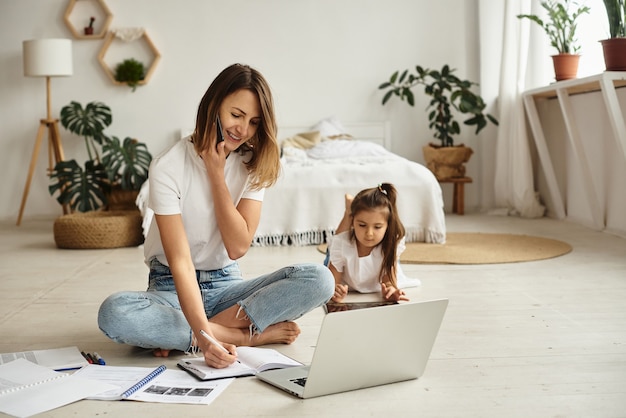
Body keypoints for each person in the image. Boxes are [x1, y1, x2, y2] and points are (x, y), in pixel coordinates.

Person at [98, 64, 334, 369]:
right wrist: (211, 338)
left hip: (228, 287)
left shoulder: (252, 164)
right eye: (236, 115)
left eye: (253, 122)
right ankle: (243, 336)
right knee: (114, 313)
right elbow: (180, 262)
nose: (243, 129)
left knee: (320, 279)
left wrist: (216, 173)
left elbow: (237, 247)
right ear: (213, 106)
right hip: (171, 286)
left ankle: (184, 333)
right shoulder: (168, 166)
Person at [325, 183, 420, 303]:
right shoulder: (341, 244)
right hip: (342, 253)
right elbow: (332, 283)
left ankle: (352, 211)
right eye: (362, 225)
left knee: (390, 255)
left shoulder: (392, 244)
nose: (369, 233)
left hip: (382, 248)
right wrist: (335, 292)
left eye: (377, 227)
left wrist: (390, 289)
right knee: (335, 243)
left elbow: (389, 281)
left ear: (387, 225)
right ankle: (348, 211)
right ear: (353, 221)